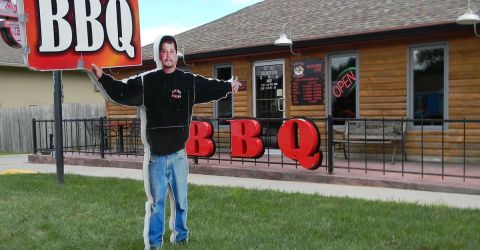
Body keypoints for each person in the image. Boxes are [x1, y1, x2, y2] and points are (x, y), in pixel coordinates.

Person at [89, 35, 241, 249]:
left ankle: (181, 237)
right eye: (164, 51)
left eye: (171, 51)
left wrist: (228, 85)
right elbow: (122, 92)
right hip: (156, 159)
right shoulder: (147, 82)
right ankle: (153, 244)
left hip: (179, 156)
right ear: (159, 55)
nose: (167, 55)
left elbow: (210, 86)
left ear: (176, 55)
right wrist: (102, 77)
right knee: (156, 204)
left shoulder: (188, 82)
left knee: (181, 202)